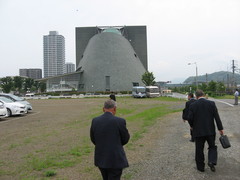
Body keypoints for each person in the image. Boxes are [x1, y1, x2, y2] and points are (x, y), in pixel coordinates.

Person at [90, 99, 130, 180]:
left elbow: (93, 138)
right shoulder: (120, 121)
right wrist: (116, 144)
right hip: (115, 158)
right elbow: (125, 138)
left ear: (103, 109)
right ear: (115, 109)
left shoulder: (95, 121)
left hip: (101, 157)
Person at [188, 90, 224, 172]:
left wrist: (192, 126)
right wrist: (220, 129)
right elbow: (217, 117)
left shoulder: (193, 105)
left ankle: (200, 167)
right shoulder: (211, 104)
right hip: (210, 130)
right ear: (203, 95)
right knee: (212, 146)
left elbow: (190, 118)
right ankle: (212, 161)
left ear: (196, 96)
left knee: (199, 149)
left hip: (198, 131)